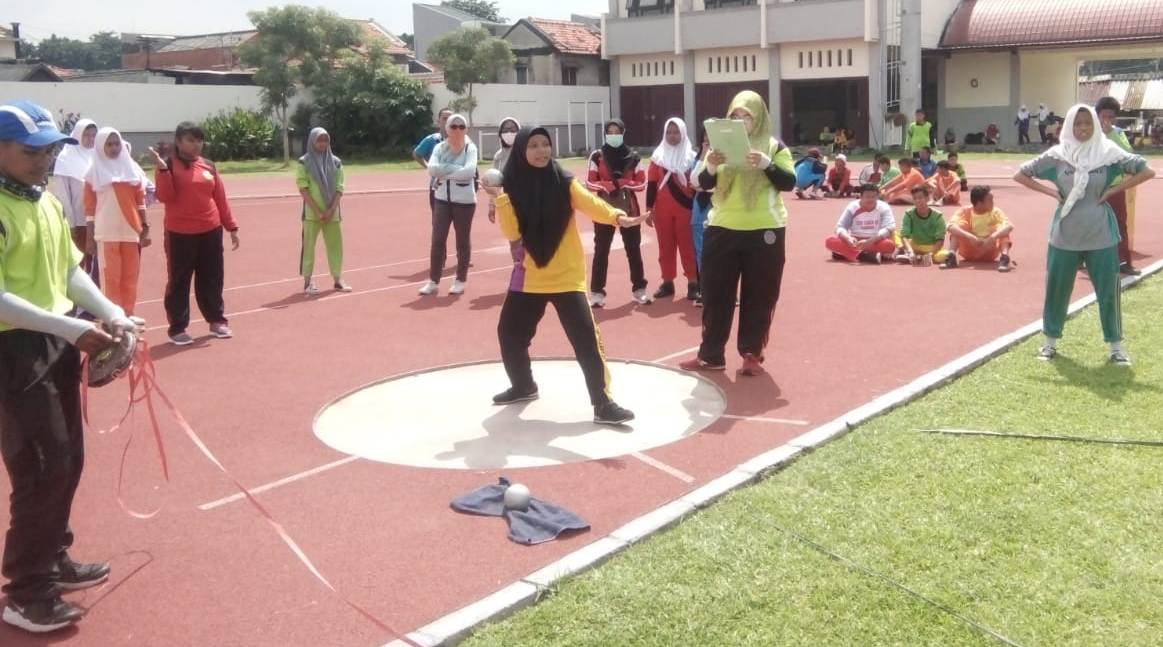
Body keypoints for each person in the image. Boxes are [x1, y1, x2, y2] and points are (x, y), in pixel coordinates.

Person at [0, 100, 140, 634]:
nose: (43, 160)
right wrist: (71, 329)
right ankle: (26, 591)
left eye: (49, 150)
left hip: (54, 342)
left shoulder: (43, 201)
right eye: (31, 151)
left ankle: (53, 557)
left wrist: (111, 312)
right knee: (39, 466)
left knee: (68, 458)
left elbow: (70, 272)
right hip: (13, 349)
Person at [485, 126, 643, 424]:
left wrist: (618, 217)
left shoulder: (564, 182)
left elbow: (590, 203)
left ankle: (603, 403)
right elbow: (512, 232)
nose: (542, 150)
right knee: (509, 334)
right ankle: (523, 385)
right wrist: (500, 198)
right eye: (533, 145)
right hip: (529, 277)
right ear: (521, 151)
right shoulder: (512, 187)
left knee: (586, 340)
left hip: (567, 276)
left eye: (545, 144)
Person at [1013, 104, 1154, 364]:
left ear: (1095, 125)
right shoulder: (1058, 155)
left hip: (1101, 235)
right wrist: (1052, 193)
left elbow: (1147, 170)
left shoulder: (1108, 153)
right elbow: (1020, 175)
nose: (1082, 128)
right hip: (1064, 235)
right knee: (1056, 290)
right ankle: (1049, 343)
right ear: (1068, 126)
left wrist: (1113, 191)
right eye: (1077, 124)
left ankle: (1116, 347)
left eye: (1087, 123)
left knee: (1108, 293)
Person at [680, 90, 796, 377]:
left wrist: (767, 165)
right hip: (722, 228)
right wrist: (711, 163)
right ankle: (711, 354)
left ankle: (751, 353)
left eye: (747, 115)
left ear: (759, 117)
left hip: (765, 229)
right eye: (736, 115)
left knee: (760, 295)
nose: (741, 120)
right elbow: (701, 183)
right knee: (716, 294)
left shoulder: (774, 146)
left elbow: (789, 182)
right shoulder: (719, 146)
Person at [148, 121, 240, 345]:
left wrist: (232, 227)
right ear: (178, 142)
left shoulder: (208, 165)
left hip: (210, 230)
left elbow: (220, 198)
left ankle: (217, 320)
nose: (197, 144)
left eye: (199, 140)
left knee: (212, 278)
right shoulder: (168, 164)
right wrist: (162, 170)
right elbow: (165, 197)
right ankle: (178, 328)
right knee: (179, 280)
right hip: (180, 234)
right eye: (191, 139)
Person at [84, 127, 150, 315]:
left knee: (130, 277)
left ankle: (128, 314)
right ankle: (112, 317)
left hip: (130, 231)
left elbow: (141, 201)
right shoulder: (91, 174)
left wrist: (146, 228)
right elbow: (89, 209)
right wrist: (90, 238)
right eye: (109, 144)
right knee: (110, 278)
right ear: (100, 146)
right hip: (106, 233)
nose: (114, 148)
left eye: (116, 144)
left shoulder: (132, 170)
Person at [586, 118, 649, 307]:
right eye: (610, 132)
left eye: (617, 132)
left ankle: (639, 290)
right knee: (601, 250)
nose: (613, 135)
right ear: (605, 133)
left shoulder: (634, 156)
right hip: (603, 210)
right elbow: (590, 183)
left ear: (623, 132)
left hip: (629, 209)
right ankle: (597, 293)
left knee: (633, 250)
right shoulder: (597, 156)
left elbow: (642, 184)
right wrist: (607, 186)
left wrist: (621, 183)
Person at [420, 113, 478, 296]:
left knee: (462, 241)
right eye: (454, 126)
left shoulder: (471, 148)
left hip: (465, 202)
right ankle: (433, 281)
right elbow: (431, 169)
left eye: (462, 127)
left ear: (466, 129)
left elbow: (469, 173)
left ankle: (460, 279)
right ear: (447, 129)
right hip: (442, 199)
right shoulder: (439, 148)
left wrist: (444, 172)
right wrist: (454, 170)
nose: (458, 130)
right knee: (438, 240)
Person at [645, 117, 698, 301]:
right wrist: (649, 209)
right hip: (662, 211)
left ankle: (693, 282)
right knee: (665, 247)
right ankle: (667, 282)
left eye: (676, 132)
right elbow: (652, 184)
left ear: (683, 133)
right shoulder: (658, 157)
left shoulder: (691, 157)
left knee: (687, 246)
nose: (672, 136)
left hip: (686, 209)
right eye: (669, 132)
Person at [296, 127, 349, 296]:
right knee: (309, 247)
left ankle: (337, 279)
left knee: (335, 246)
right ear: (312, 141)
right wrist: (318, 211)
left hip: (332, 214)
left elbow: (340, 187)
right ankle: (307, 282)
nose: (322, 143)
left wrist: (331, 210)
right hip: (312, 215)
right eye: (319, 140)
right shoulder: (304, 162)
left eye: (325, 140)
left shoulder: (336, 162)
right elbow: (303, 188)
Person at [48, 119, 98, 281]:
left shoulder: (98, 156)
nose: (90, 139)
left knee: (97, 265)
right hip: (79, 223)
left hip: (100, 220)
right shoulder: (65, 159)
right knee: (78, 264)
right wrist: (70, 225)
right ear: (77, 135)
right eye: (86, 135)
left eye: (93, 135)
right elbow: (62, 196)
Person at [1095, 96, 1140, 275]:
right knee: (1090, 222)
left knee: (1120, 223)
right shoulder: (1089, 131)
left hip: (1115, 187)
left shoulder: (1118, 132)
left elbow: (1128, 153)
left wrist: (1111, 134)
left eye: (1111, 117)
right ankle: (1083, 259)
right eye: (1104, 116)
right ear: (1097, 115)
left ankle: (1124, 262)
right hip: (1093, 185)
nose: (1107, 120)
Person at [941, 185, 1013, 272]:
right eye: (990, 200)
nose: (993, 202)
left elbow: (1009, 226)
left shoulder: (996, 212)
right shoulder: (964, 211)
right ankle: (951, 256)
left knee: (1002, 229)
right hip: (969, 250)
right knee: (958, 227)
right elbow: (950, 226)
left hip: (989, 250)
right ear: (980, 203)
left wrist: (992, 237)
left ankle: (1005, 258)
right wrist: (970, 237)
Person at [825, 183, 896, 263]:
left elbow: (890, 227)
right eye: (867, 197)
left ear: (877, 197)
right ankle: (864, 255)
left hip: (875, 240)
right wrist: (848, 238)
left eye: (874, 197)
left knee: (889, 245)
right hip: (855, 241)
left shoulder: (884, 207)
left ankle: (847, 254)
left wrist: (871, 240)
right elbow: (840, 227)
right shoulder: (853, 207)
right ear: (861, 197)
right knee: (830, 241)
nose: (871, 200)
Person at [689, 125, 713, 308]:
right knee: (701, 251)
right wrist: (704, 156)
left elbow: (711, 185)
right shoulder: (699, 158)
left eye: (711, 137)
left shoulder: (727, 157)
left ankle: (726, 292)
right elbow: (695, 182)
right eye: (705, 137)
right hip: (701, 207)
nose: (707, 141)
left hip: (721, 207)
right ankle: (705, 291)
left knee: (723, 251)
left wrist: (704, 185)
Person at [896, 184, 948, 263]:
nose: (917, 201)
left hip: (931, 248)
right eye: (914, 198)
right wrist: (910, 251)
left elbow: (940, 241)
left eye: (920, 198)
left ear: (927, 198)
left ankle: (916, 258)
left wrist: (930, 254)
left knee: (946, 255)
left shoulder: (938, 216)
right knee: (897, 234)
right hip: (914, 246)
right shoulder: (908, 214)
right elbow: (905, 236)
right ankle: (912, 256)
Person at [413, 107, 453, 209]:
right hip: (437, 187)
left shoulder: (462, 141)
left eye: (451, 119)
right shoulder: (432, 140)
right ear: (438, 122)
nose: (447, 121)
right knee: (438, 222)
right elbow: (416, 154)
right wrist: (428, 167)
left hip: (457, 187)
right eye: (444, 119)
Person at [487, 117, 521, 224]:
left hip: (527, 203)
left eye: (512, 129)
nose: (509, 133)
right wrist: (491, 206)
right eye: (505, 130)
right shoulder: (499, 156)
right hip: (506, 203)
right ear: (500, 134)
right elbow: (494, 183)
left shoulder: (526, 151)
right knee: (513, 238)